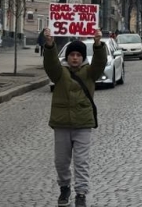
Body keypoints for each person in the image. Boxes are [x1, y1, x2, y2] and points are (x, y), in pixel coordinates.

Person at [42, 28, 106, 207]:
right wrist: (49, 44)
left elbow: (100, 63)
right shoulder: (60, 73)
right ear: (68, 57)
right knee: (61, 162)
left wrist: (98, 44)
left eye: (79, 54)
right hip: (62, 124)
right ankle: (64, 188)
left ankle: (81, 194)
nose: (75, 57)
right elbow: (50, 64)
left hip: (82, 124)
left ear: (83, 57)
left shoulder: (90, 73)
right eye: (72, 54)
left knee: (81, 162)